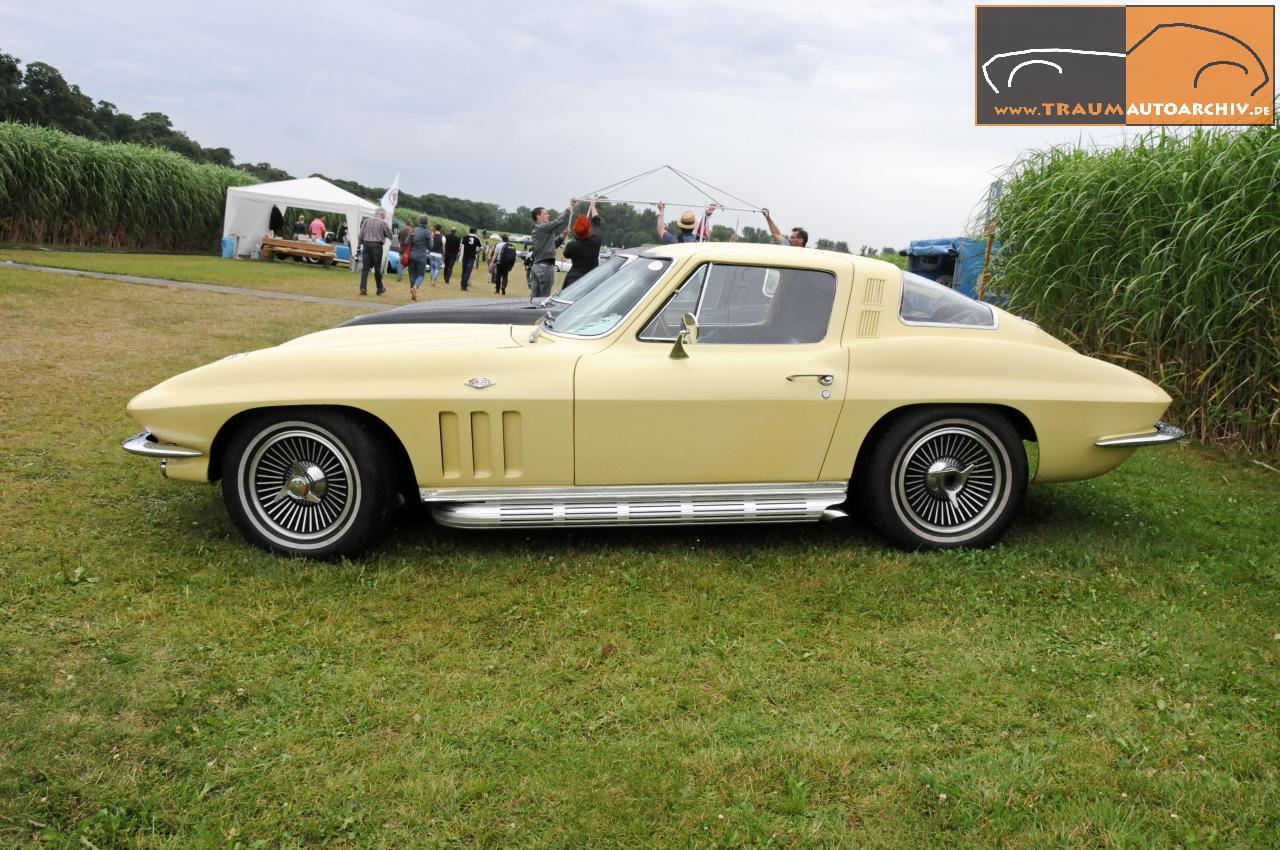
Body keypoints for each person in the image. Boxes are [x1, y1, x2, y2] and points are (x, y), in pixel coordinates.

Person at [528, 199, 574, 300]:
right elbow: (558, 222)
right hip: (544, 268)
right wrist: (570, 208)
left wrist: (562, 236)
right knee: (543, 300)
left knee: (533, 299)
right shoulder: (542, 227)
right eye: (545, 213)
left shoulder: (541, 230)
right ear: (538, 216)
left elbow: (553, 245)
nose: (548, 215)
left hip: (537, 267)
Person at [561, 199, 602, 291]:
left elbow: (565, 254)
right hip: (590, 281)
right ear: (589, 230)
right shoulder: (595, 242)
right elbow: (597, 222)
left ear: (575, 230)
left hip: (573, 280)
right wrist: (593, 206)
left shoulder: (572, 246)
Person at [357, 208, 392, 296]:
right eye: (384, 215)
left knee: (365, 268)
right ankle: (379, 288)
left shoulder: (366, 221)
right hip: (377, 246)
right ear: (382, 215)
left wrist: (358, 247)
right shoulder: (383, 223)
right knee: (377, 268)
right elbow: (390, 235)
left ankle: (363, 288)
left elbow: (360, 235)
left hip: (366, 245)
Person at [406, 215, 432, 300]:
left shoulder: (413, 230)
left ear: (419, 221)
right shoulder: (427, 232)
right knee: (420, 275)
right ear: (427, 222)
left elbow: (406, 242)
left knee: (412, 274)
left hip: (412, 255)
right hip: (421, 256)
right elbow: (430, 246)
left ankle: (412, 292)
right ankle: (415, 287)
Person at [460, 226, 483, 291]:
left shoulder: (464, 237)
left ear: (469, 231)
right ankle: (464, 285)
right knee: (468, 271)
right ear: (475, 232)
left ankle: (462, 283)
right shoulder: (477, 239)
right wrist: (477, 252)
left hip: (465, 256)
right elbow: (481, 248)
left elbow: (460, 246)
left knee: (464, 270)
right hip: (472, 256)